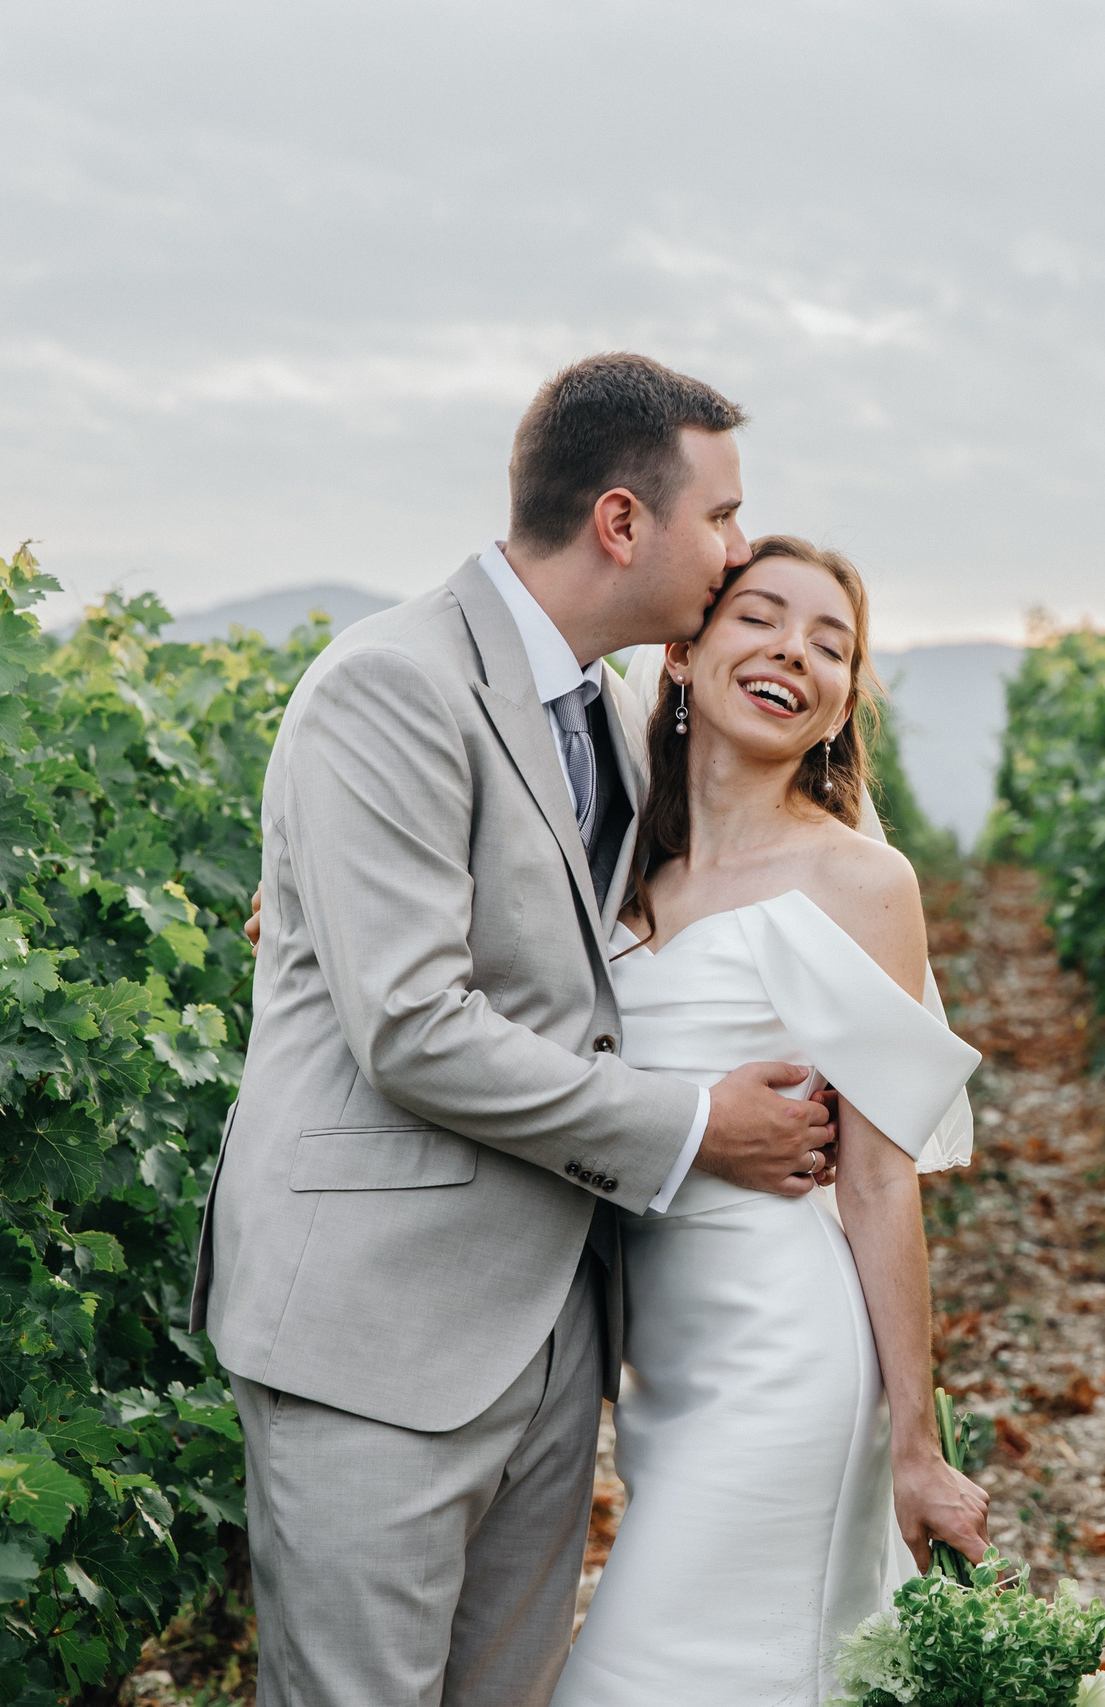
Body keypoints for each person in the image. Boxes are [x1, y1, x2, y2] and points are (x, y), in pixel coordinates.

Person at [190, 353, 845, 1707]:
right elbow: (415, 1025)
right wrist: (695, 1123)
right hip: (376, 1326)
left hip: (550, 1325)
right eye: (720, 517)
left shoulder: (603, 711)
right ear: (622, 521)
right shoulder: (391, 682)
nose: (731, 552)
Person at [548, 535, 991, 1707]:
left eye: (831, 643)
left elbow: (881, 1181)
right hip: (664, 1371)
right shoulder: (618, 871)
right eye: (762, 619)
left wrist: (916, 1445)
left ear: (843, 704)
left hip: (786, 1359)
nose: (795, 650)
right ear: (683, 656)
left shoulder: (859, 883)